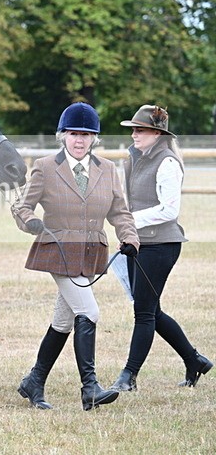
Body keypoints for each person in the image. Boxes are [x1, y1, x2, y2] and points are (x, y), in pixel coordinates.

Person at [11, 102, 139, 411]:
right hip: (58, 250)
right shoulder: (44, 167)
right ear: (62, 136)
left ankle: (34, 381)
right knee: (89, 311)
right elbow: (21, 206)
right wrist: (31, 222)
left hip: (90, 253)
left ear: (94, 138)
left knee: (63, 321)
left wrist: (130, 237)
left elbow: (120, 212)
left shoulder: (107, 170)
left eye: (86, 134)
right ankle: (90, 388)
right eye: (73, 134)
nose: (79, 140)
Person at [109, 105, 212, 392]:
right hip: (139, 243)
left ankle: (128, 376)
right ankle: (195, 361)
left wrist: (132, 221)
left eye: (139, 129)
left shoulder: (167, 163)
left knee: (143, 312)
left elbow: (169, 210)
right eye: (133, 129)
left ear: (157, 133)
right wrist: (127, 231)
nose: (134, 134)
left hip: (162, 245)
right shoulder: (133, 159)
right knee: (152, 312)